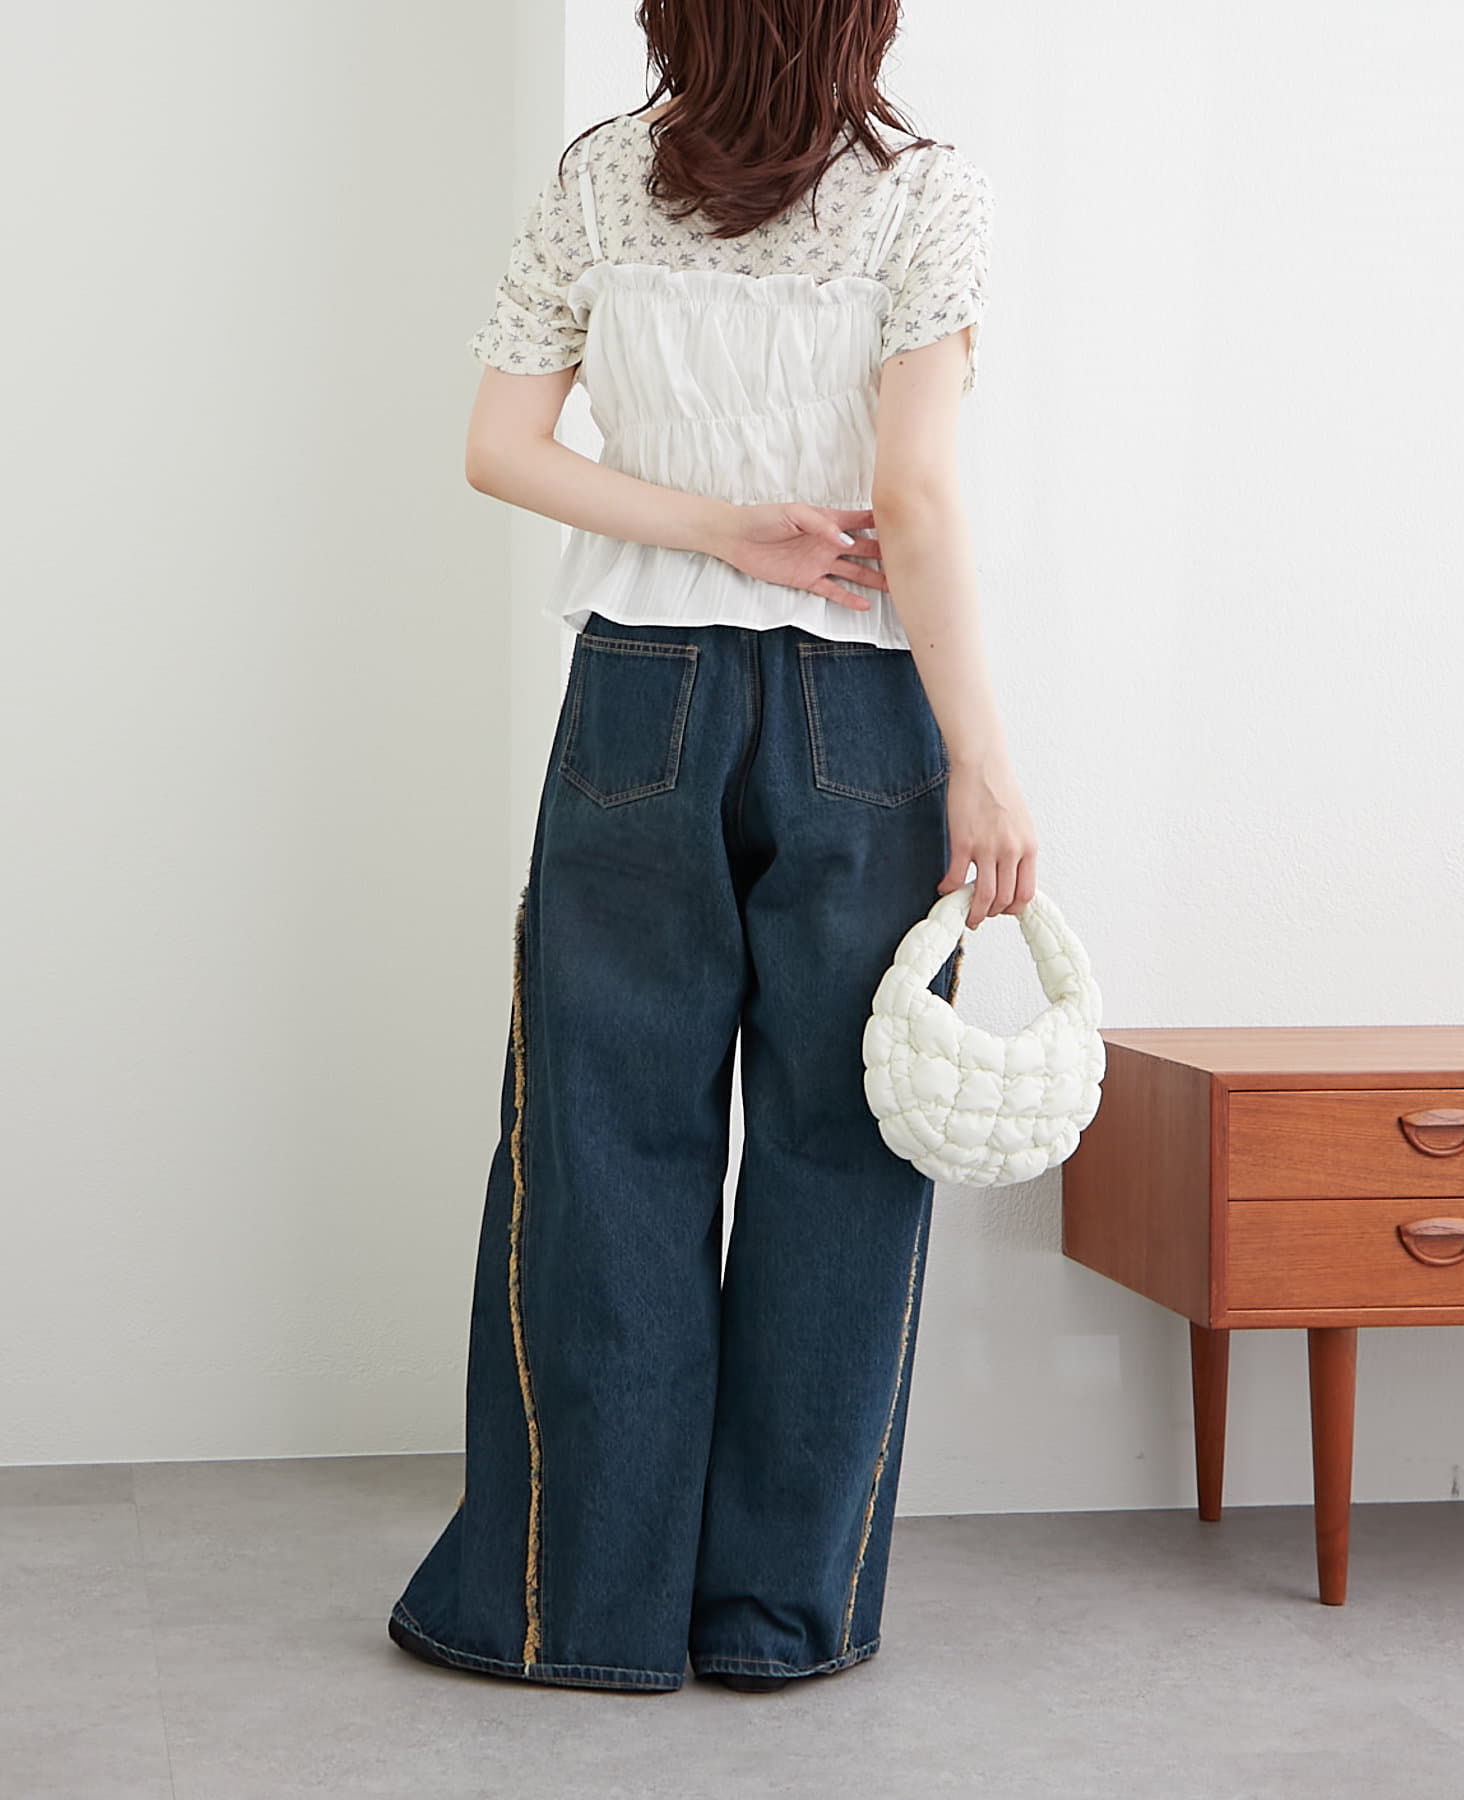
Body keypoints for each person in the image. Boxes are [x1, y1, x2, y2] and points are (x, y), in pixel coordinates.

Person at [388, 0, 1038, 1698]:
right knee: (845, 1151)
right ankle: (777, 1617)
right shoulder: (929, 193)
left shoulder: (599, 179)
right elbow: (919, 497)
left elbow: (500, 449)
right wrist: (984, 765)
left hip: (641, 696)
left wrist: (714, 532)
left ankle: (571, 1611)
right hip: (863, 710)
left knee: (600, 1145)